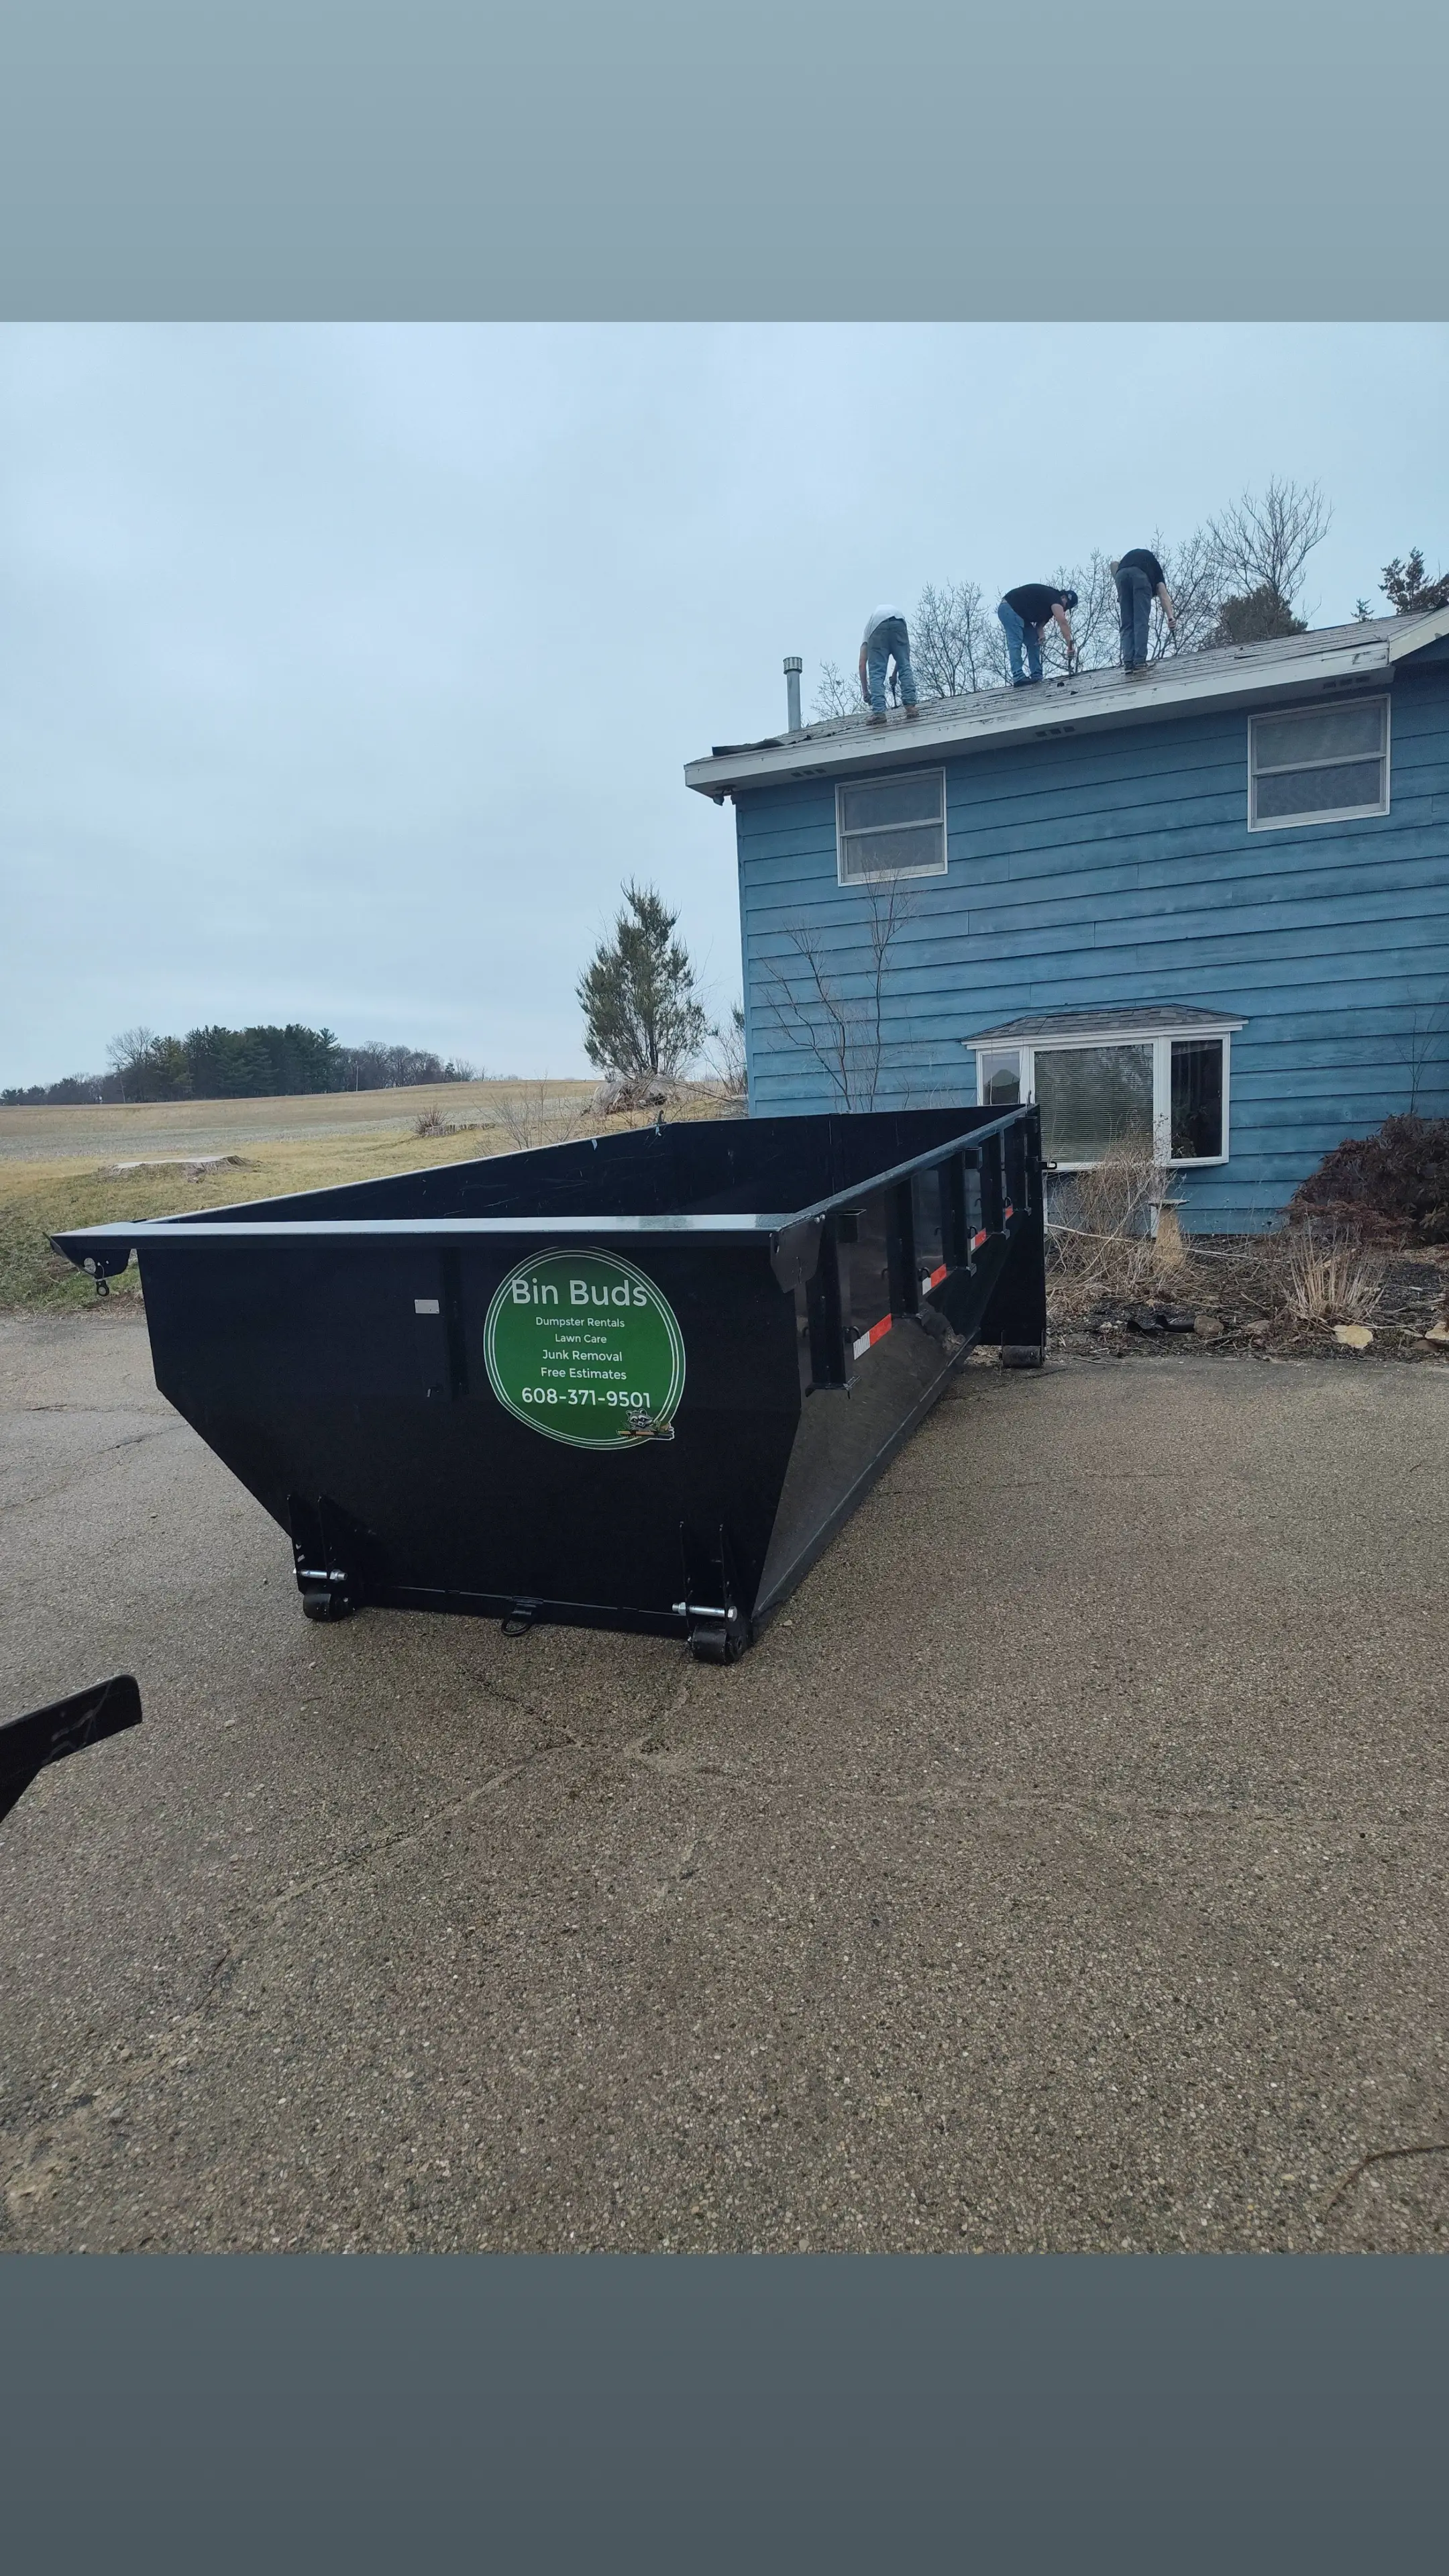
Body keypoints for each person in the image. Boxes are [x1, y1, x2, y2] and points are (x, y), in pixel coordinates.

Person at [995, 583, 1079, 687]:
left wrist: (1041, 634)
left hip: (1020, 614)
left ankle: (1037, 676)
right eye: (1066, 606)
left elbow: (1039, 626)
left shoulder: (1049, 608)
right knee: (1016, 643)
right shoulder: (1055, 598)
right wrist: (1070, 646)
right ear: (1063, 597)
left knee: (1034, 641)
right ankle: (1018, 676)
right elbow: (1062, 622)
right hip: (1010, 608)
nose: (1064, 609)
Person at [1111, 549, 1177, 674]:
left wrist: (1121, 590)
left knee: (1127, 623)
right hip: (1140, 577)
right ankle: (1140, 662)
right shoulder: (1156, 572)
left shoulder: (1134, 559)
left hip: (1121, 576)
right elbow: (1163, 594)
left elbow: (1113, 564)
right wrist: (1170, 617)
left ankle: (1128, 663)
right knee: (1140, 621)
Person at [858, 604, 920, 724]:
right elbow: (904, 657)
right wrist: (896, 673)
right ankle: (911, 708)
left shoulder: (868, 632)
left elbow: (862, 664)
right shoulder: (891, 615)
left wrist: (865, 692)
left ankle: (879, 713)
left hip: (878, 627)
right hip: (899, 620)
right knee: (905, 664)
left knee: (877, 672)